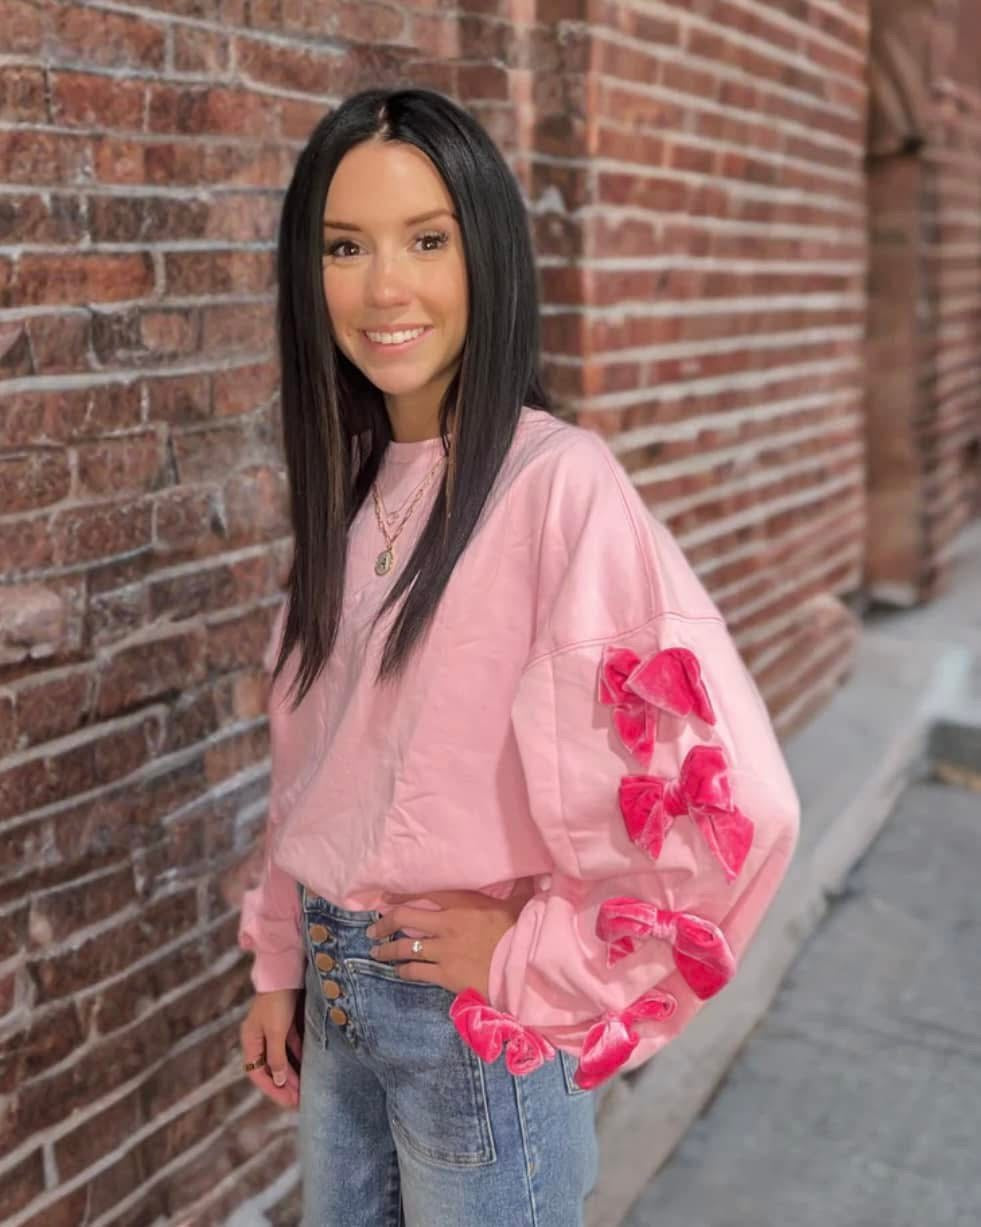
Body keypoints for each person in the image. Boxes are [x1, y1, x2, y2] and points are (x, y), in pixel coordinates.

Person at [237, 86, 801, 1227]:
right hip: (341, 1010)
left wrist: (546, 955)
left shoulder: (558, 485)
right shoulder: (354, 490)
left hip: (474, 1027)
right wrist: (281, 956)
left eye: (427, 240)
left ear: (485, 252)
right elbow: (318, 760)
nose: (383, 287)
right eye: (346, 246)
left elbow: (740, 803)